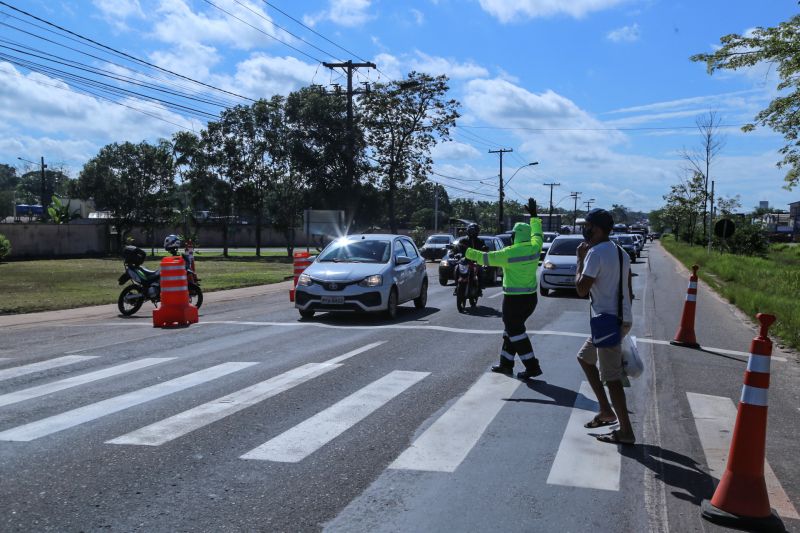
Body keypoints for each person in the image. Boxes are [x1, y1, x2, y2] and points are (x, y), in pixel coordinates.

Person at [574, 208, 635, 445]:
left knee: (612, 378)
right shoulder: (621, 252)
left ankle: (626, 431)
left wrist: (580, 258)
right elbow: (629, 290)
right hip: (618, 319)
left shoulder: (595, 253)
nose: (584, 230)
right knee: (585, 358)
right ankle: (605, 409)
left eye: (587, 226)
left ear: (596, 229)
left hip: (607, 322)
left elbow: (581, 290)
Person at [466, 199, 544, 379]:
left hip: (513, 300)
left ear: (515, 236)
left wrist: (467, 251)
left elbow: (485, 258)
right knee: (511, 330)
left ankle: (532, 366)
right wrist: (534, 217)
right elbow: (538, 234)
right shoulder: (535, 247)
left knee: (516, 331)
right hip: (531, 299)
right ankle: (506, 364)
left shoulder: (509, 252)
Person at [453, 223, 488, 295]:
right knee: (456, 268)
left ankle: (479, 288)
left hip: (476, 261)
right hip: (465, 261)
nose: (473, 233)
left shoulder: (480, 241)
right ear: (468, 231)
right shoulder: (463, 240)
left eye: (474, 231)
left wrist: (484, 249)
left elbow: (484, 248)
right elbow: (457, 248)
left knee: (481, 271)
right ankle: (456, 286)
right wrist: (454, 253)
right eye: (471, 231)